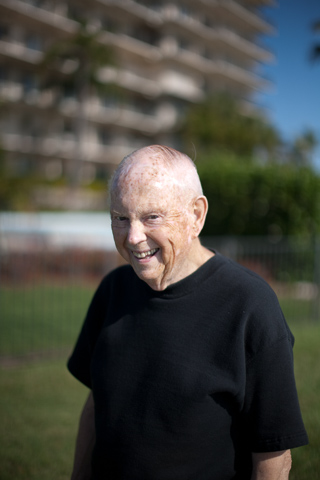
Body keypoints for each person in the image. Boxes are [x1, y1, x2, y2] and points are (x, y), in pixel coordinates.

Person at [68, 145, 308, 480]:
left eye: (151, 216)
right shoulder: (113, 289)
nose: (134, 237)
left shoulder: (249, 304)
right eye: (121, 218)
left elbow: (273, 454)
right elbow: (98, 404)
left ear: (196, 215)